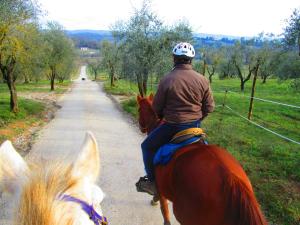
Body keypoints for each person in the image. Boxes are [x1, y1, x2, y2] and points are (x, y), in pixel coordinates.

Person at [137, 42, 215, 196]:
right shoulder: (203, 79)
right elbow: (210, 107)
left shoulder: (167, 79)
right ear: (191, 59)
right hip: (194, 127)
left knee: (146, 146)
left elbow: (157, 108)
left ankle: (153, 182)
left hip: (172, 126)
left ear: (174, 58)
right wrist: (198, 120)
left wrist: (161, 116)